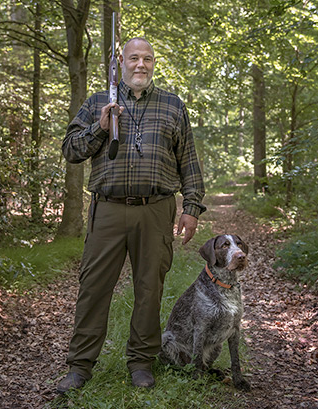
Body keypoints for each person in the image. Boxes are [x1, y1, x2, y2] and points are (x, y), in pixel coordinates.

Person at [57, 37, 206, 392]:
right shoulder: (98, 103)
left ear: (154, 63)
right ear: (120, 62)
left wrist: (192, 207)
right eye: (134, 58)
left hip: (155, 211)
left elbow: (189, 161)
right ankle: (79, 367)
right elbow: (71, 150)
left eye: (148, 59)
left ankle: (141, 362)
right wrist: (100, 128)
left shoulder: (173, 105)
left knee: (149, 289)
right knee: (93, 289)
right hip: (107, 210)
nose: (141, 64)